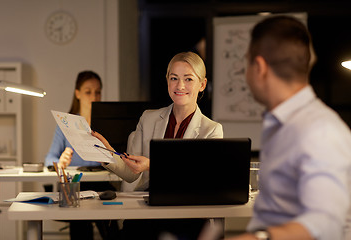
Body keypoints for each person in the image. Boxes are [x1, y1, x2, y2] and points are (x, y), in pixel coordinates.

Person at [227, 16, 351, 240]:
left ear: (260, 68)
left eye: (247, 64)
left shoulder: (320, 130)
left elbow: (325, 223)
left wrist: (257, 238)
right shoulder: (281, 124)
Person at [93, 52, 223, 239]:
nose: (180, 86)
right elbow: (131, 174)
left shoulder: (211, 130)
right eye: (174, 78)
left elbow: (201, 180)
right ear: (167, 81)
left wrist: (152, 165)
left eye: (188, 79)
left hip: (187, 214)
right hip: (147, 211)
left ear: (202, 84)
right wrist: (106, 153)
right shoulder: (148, 118)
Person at [45, 70, 117, 240]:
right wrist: (60, 161)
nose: (94, 96)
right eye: (88, 91)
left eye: (98, 92)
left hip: (103, 184)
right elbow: (49, 159)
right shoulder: (66, 124)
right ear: (77, 93)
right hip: (77, 186)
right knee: (79, 220)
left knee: (113, 226)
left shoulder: (108, 124)